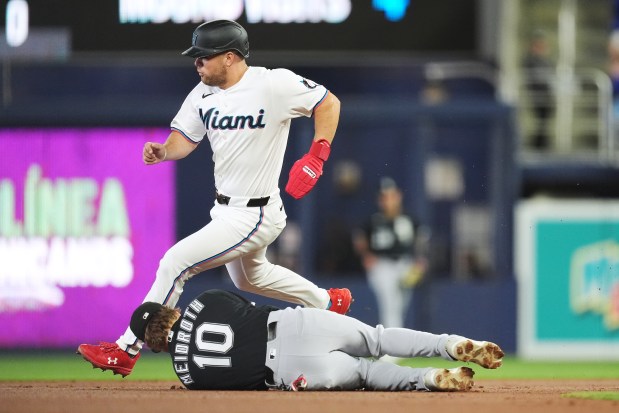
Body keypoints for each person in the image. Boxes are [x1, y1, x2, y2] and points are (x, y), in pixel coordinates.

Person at [76, 19, 352, 377]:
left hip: (255, 213)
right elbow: (185, 138)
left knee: (176, 263)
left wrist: (317, 155)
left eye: (204, 56)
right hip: (225, 210)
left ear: (230, 57)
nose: (197, 63)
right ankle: (328, 302)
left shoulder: (273, 84)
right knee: (250, 279)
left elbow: (329, 103)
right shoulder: (202, 93)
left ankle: (128, 347)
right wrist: (163, 151)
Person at [119, 289, 504, 391]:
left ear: (153, 343)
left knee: (367, 375)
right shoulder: (206, 301)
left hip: (290, 371)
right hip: (293, 325)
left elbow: (243, 385)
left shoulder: (187, 375)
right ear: (168, 310)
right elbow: (250, 310)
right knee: (377, 338)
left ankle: (429, 379)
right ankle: (450, 344)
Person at [353, 177, 427, 329]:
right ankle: (391, 343)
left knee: (400, 305)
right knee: (390, 303)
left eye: (391, 196)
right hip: (382, 265)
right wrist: (366, 255)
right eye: (384, 197)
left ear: (398, 196)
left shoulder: (409, 218)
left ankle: (391, 339)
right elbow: (359, 239)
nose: (388, 201)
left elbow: (422, 239)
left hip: (405, 264)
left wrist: (420, 260)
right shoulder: (373, 220)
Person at [523, 29, 554, 150]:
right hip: (538, 95)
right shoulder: (530, 60)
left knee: (545, 120)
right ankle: (538, 145)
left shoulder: (545, 60)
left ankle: (542, 144)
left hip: (547, 95)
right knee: (540, 120)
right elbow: (533, 78)